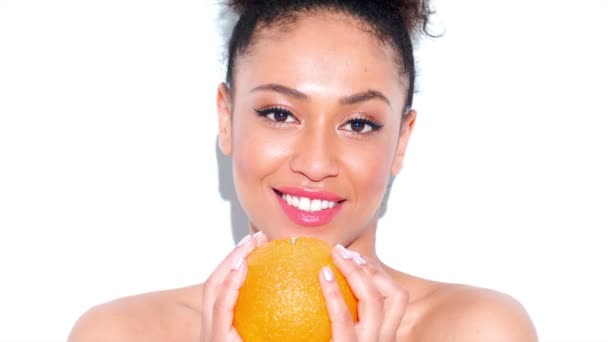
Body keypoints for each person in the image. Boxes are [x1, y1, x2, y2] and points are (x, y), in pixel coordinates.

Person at [68, 0, 538, 341]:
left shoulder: (476, 330)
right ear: (226, 118)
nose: (315, 164)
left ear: (401, 141)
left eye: (358, 123)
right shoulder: (119, 333)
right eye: (279, 113)